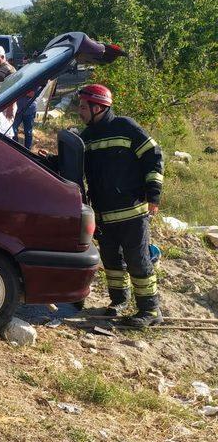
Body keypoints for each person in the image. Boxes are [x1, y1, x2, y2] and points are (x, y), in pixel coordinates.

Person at [78, 84, 164, 328]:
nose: (80, 112)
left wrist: (154, 196)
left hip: (132, 213)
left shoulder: (126, 127)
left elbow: (153, 156)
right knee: (112, 260)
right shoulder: (88, 136)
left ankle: (150, 310)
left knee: (137, 259)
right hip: (104, 214)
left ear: (98, 107)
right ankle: (119, 301)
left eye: (84, 107)